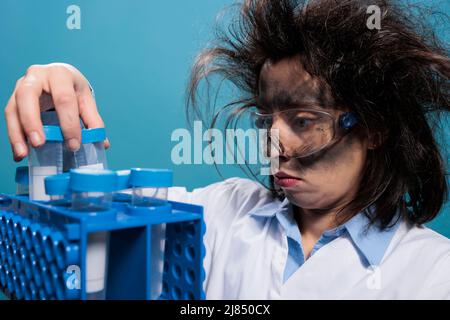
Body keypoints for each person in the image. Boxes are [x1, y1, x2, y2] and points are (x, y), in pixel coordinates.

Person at [4, 0, 450, 299]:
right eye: (266, 119)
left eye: (303, 121)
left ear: (374, 127)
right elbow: (94, 220)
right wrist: (59, 88)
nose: (273, 143)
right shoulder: (222, 213)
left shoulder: (433, 273)